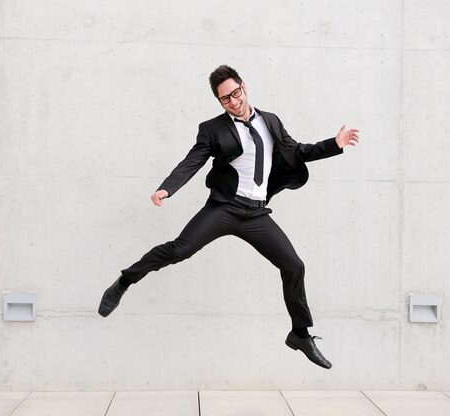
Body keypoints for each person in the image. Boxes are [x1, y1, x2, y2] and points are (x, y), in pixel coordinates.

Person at [99, 65, 359, 369]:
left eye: (235, 93)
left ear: (244, 87)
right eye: (225, 99)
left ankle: (300, 334)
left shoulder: (270, 121)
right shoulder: (212, 129)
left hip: (256, 214)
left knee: (293, 265)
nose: (233, 102)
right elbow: (191, 162)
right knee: (179, 250)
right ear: (219, 102)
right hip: (224, 207)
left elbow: (297, 151)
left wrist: (335, 144)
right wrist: (166, 189)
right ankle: (125, 280)